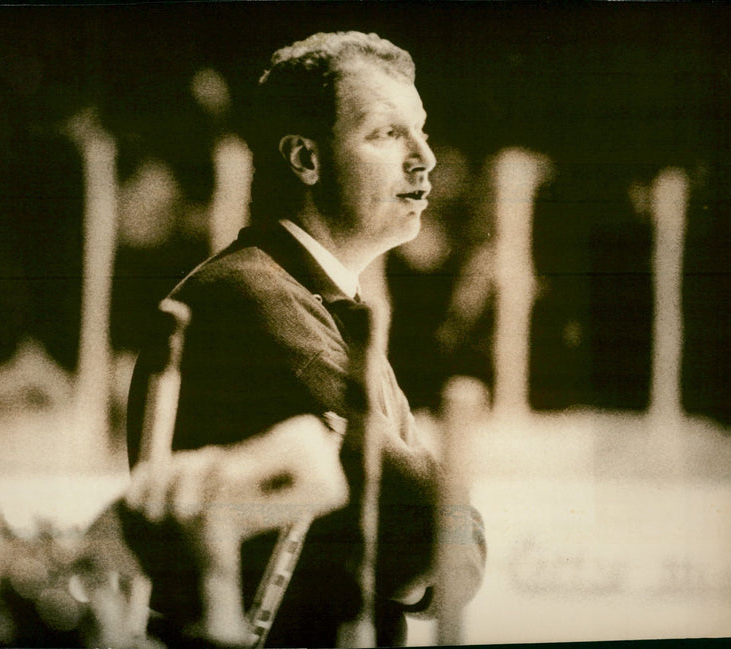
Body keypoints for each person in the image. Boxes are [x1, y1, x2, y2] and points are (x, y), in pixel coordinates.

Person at [125, 31, 486, 648]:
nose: (425, 156)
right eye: (386, 133)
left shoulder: (309, 297)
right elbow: (435, 531)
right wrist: (453, 542)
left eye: (421, 129)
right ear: (306, 159)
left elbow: (434, 539)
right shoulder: (258, 303)